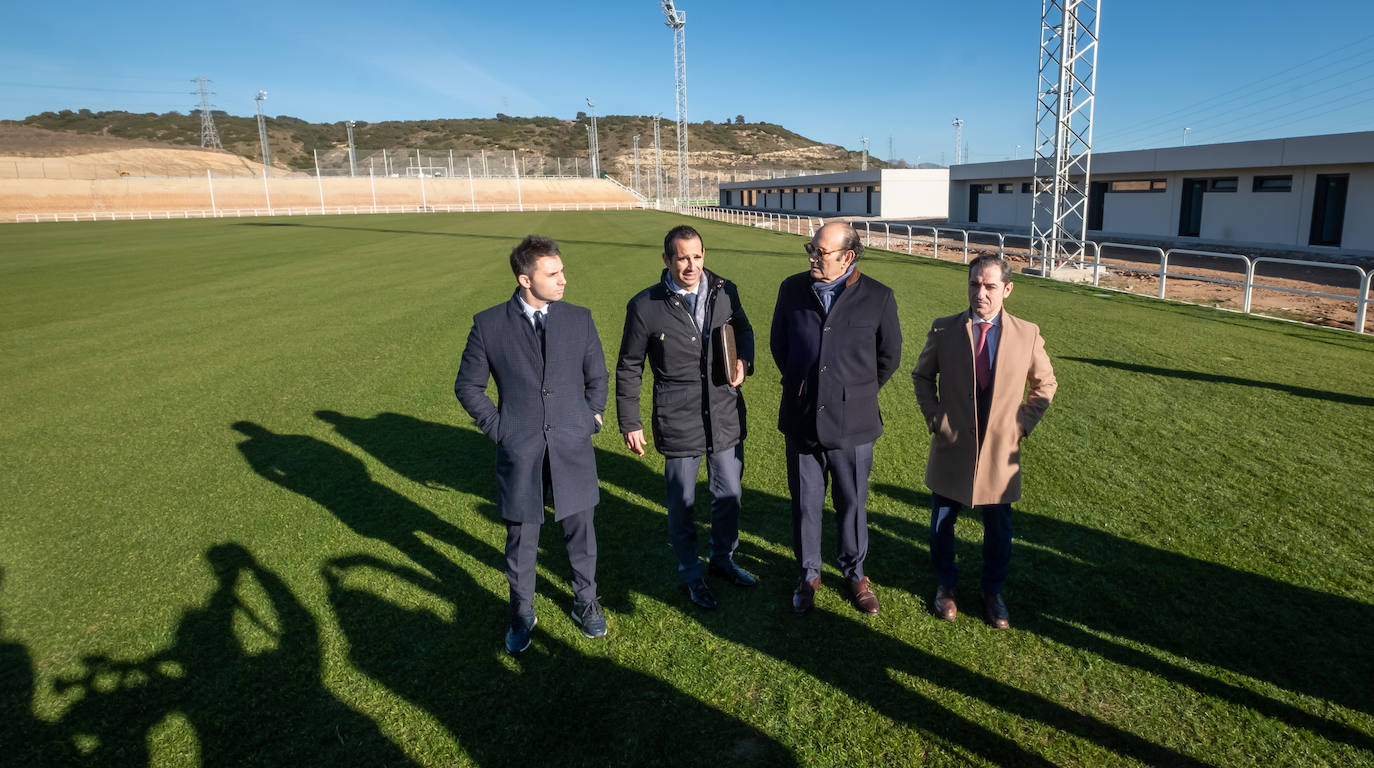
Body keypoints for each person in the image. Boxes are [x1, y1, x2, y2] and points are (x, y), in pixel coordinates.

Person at [455, 235, 609, 653]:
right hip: (519, 448)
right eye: (553, 273)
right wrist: (500, 428)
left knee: (581, 532)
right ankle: (522, 611)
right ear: (525, 279)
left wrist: (589, 418)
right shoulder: (488, 324)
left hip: (572, 444)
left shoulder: (579, 319)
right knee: (522, 538)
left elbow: (598, 377)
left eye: (562, 270)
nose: (563, 279)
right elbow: (468, 387)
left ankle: (586, 601)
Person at [616, 225, 757, 610]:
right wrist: (630, 421)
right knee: (682, 504)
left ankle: (724, 560)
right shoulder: (645, 305)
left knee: (729, 495)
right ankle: (692, 575)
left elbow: (743, 329)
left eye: (696, 256)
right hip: (677, 418)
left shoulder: (725, 291)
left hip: (725, 414)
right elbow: (629, 366)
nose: (690, 265)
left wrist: (745, 360)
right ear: (667, 260)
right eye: (682, 257)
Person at [912, 254, 1057, 629]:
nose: (981, 293)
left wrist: (1021, 424)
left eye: (990, 286)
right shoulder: (944, 330)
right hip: (952, 445)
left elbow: (1045, 384)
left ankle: (992, 592)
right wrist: (935, 418)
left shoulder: (1027, 333)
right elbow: (922, 377)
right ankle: (946, 587)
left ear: (1007, 289)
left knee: (999, 530)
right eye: (975, 284)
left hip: (999, 451)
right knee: (941, 524)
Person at [770, 221, 902, 616]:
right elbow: (780, 345)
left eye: (820, 251)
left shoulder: (878, 297)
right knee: (806, 505)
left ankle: (854, 573)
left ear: (848, 256)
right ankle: (808, 574)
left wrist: (853, 394)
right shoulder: (791, 289)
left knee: (852, 504)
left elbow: (888, 356)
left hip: (854, 424)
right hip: (801, 419)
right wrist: (804, 387)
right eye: (811, 248)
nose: (812, 255)